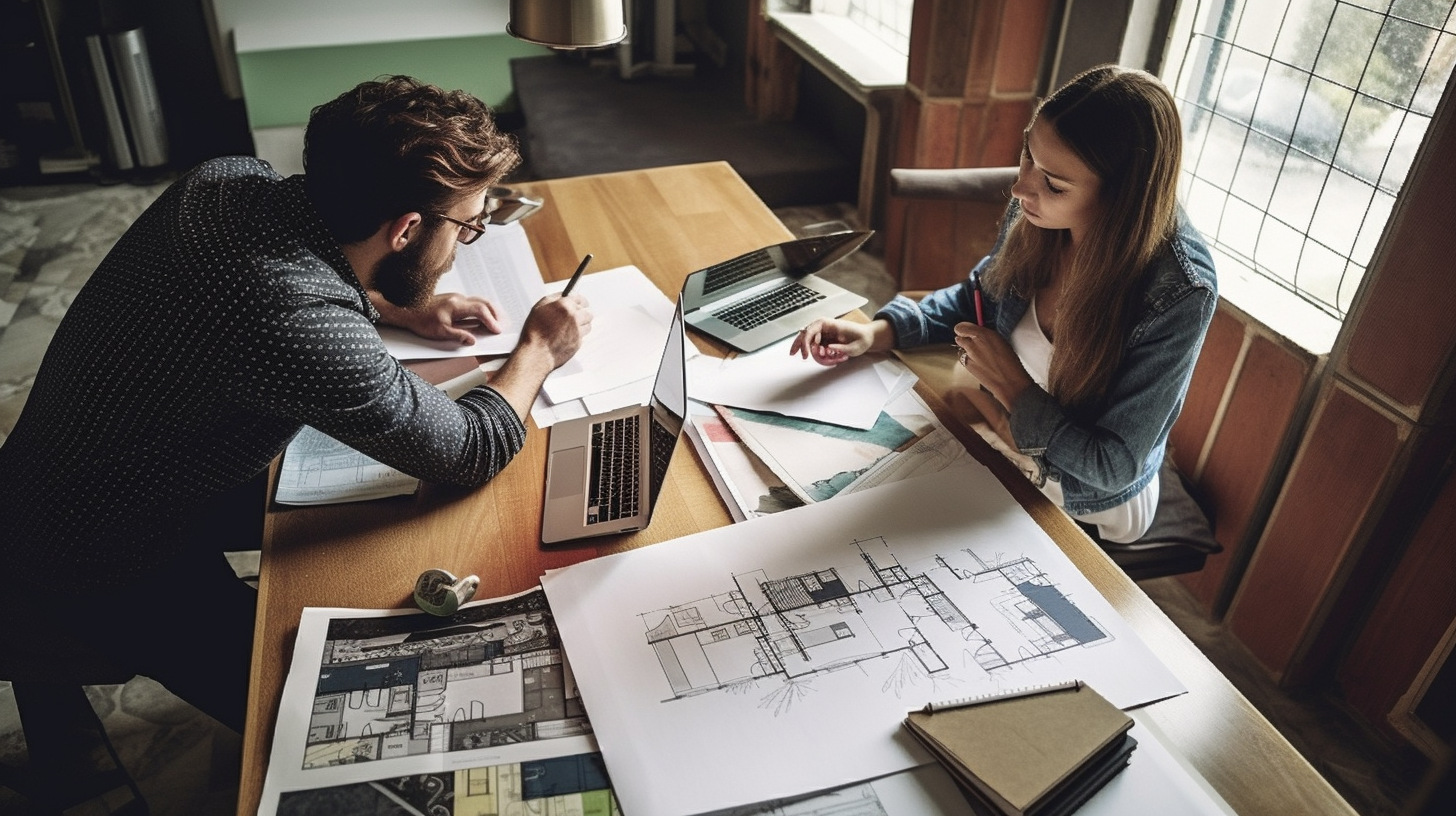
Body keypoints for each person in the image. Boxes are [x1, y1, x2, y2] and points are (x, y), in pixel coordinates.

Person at [0, 76, 592, 746]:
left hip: (72, 471)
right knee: (324, 729)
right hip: (94, 548)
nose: (464, 244)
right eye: (467, 226)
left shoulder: (227, 178)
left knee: (373, 500)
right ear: (405, 228)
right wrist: (541, 347)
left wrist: (397, 303)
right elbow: (471, 449)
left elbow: (271, 285)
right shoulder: (295, 316)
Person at [791, 65, 1217, 545]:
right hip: (1002, 424)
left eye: (1054, 184)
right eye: (1027, 156)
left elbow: (1112, 466)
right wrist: (876, 333)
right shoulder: (1036, 210)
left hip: (1087, 496)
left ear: (1121, 200)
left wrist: (1013, 387)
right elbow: (978, 295)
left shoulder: (1181, 292)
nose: (1020, 189)